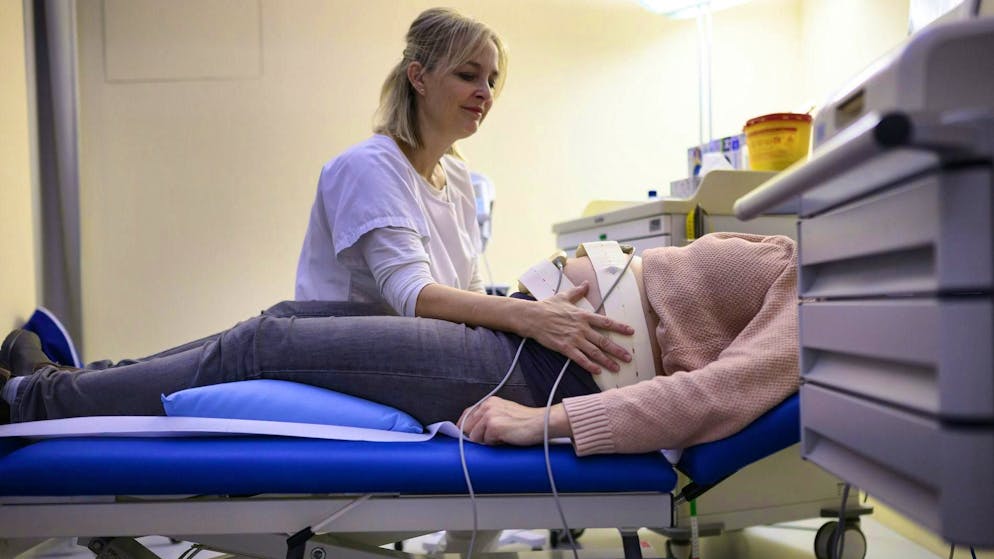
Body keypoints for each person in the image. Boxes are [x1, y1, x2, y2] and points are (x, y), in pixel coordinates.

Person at [1, 233, 799, 455]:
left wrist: (544, 423)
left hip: (558, 374)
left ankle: (34, 400)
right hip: (535, 334)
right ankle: (76, 382)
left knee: (263, 345)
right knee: (277, 319)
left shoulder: (825, 301)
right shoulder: (800, 250)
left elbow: (710, 396)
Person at [293, 7, 634, 377]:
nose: (485, 93)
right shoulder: (368, 167)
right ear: (418, 77)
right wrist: (530, 315)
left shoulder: (457, 177)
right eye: (468, 75)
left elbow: (471, 291)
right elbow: (413, 295)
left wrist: (539, 310)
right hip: (351, 353)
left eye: (491, 80)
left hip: (424, 347)